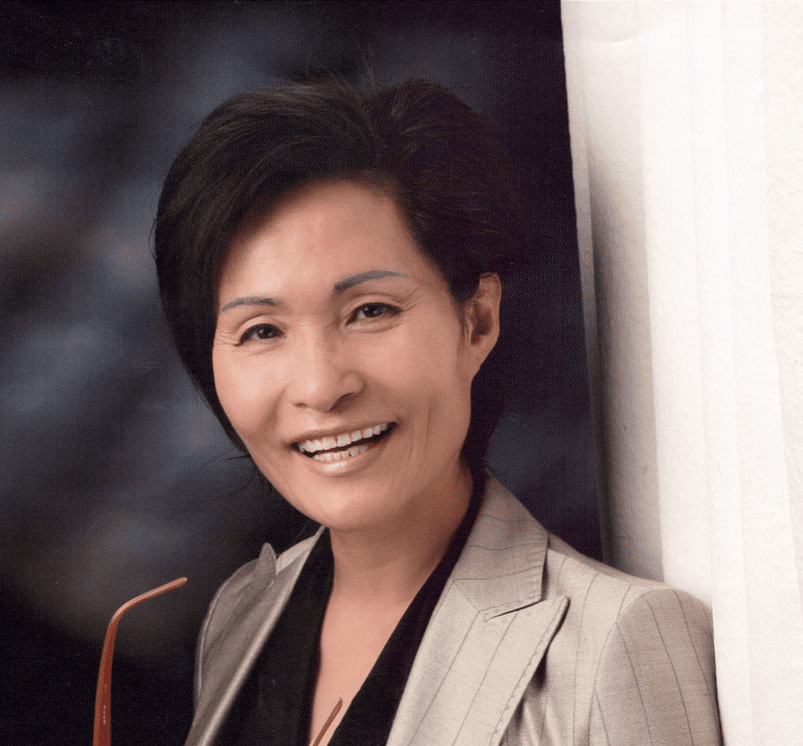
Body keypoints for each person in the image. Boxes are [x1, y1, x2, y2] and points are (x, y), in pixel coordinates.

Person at [154, 76, 722, 746]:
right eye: (261, 331)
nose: (320, 386)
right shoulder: (243, 613)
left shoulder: (615, 642)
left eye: (370, 311)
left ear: (476, 321)